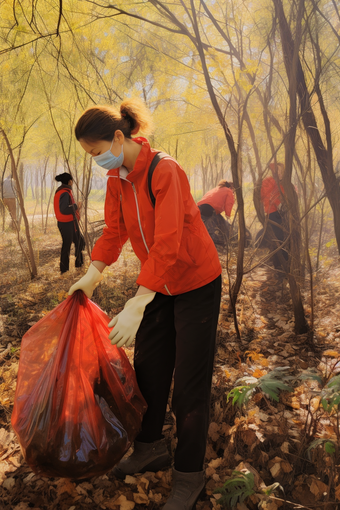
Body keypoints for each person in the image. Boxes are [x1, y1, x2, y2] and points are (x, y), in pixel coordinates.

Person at [68, 98, 222, 510]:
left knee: (189, 386)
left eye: (97, 152)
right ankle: (150, 446)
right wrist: (93, 273)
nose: (97, 162)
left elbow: (170, 243)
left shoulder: (164, 170)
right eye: (91, 156)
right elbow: (115, 232)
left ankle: (189, 476)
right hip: (158, 286)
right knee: (149, 370)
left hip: (194, 283)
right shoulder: (117, 178)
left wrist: (138, 301)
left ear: (119, 137)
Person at [54, 172, 84, 274]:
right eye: (72, 181)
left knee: (80, 241)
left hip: (70, 223)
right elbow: (64, 209)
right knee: (66, 246)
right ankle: (64, 270)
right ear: (70, 181)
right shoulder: (65, 193)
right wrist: (76, 206)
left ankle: (79, 265)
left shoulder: (63, 191)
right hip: (66, 224)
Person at [260, 162, 288, 270]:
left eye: (281, 171)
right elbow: (265, 196)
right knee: (279, 239)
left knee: (282, 239)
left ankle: (282, 264)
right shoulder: (268, 181)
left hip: (280, 214)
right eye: (278, 171)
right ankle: (280, 266)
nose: (280, 173)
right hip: (273, 213)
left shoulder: (282, 183)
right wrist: (278, 203)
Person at [197, 180, 235, 248]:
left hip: (200, 208)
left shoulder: (217, 188)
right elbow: (229, 203)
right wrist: (228, 215)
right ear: (232, 187)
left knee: (203, 227)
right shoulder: (229, 191)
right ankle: (218, 244)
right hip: (209, 209)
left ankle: (203, 243)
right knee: (217, 226)